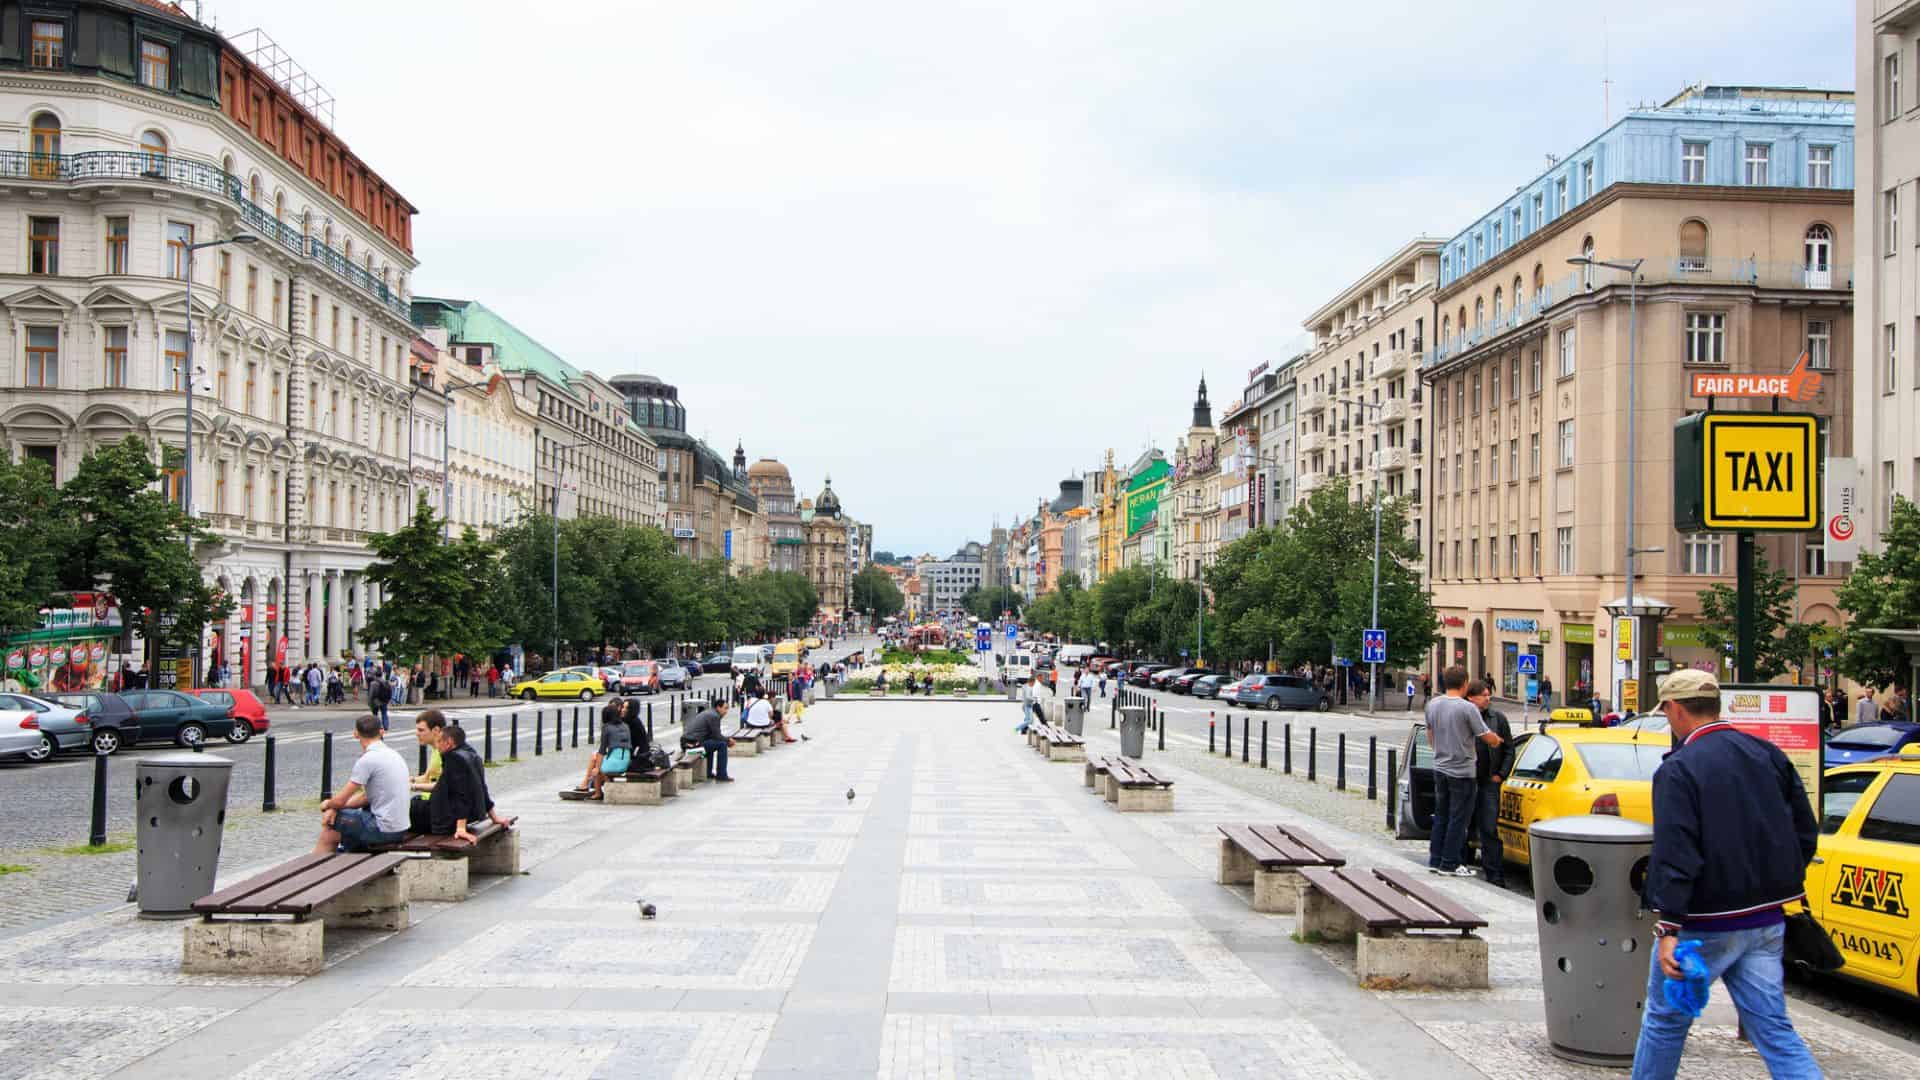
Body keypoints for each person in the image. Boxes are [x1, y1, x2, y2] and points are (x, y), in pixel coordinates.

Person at [1631, 669, 1821, 1079]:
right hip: (1767, 919)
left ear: (1676, 709)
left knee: (1665, 1023)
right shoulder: (1766, 753)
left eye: (1667, 712)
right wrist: (1778, 884)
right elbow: (1805, 832)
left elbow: (1676, 854)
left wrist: (1668, 928)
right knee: (1774, 1029)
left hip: (1705, 921)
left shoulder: (1678, 769)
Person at [1426, 665, 1503, 877]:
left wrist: (1440, 750)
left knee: (1441, 815)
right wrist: (1497, 741)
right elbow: (1485, 734)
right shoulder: (1467, 708)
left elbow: (1430, 736)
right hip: (1462, 771)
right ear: (1465, 684)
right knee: (1458, 819)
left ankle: (1435, 859)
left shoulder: (1432, 704)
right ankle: (1450, 863)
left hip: (1440, 768)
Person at [314, 714, 411, 853]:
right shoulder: (394, 755)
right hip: (400, 828)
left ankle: (315, 871)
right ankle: (344, 861)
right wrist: (337, 807)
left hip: (382, 829)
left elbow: (341, 800)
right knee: (336, 833)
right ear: (381, 732)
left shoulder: (368, 759)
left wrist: (329, 805)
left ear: (355, 734)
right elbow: (365, 797)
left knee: (329, 824)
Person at [409, 724, 509, 839]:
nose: (437, 746)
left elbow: (462, 794)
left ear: (449, 742)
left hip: (442, 818)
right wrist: (494, 817)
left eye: (440, 741)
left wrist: (460, 828)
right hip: (456, 815)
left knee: (404, 811)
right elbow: (481, 786)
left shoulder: (454, 759)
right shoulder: (470, 753)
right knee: (415, 803)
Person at [1464, 679, 1515, 887]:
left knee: (1489, 828)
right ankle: (1459, 863)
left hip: (1489, 781)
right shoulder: (1465, 715)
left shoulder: (1497, 718)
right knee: (1463, 825)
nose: (1488, 698)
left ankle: (1494, 874)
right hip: (1466, 779)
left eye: (1488, 695)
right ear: (1471, 698)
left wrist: (1500, 775)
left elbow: (1509, 749)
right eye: (1483, 695)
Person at [574, 699, 633, 799]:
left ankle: (598, 790)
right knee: (596, 760)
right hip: (625, 759)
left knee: (596, 765)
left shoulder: (607, 727)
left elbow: (602, 750)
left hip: (615, 762)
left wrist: (597, 768)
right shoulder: (625, 725)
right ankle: (592, 788)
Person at [682, 699, 734, 782]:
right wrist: (728, 741)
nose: (726, 711)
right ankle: (721, 775)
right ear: (718, 707)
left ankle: (708, 772)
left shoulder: (710, 713)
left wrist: (725, 739)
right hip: (691, 747)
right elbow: (717, 736)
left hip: (689, 743)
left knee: (711, 743)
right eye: (725, 708)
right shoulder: (714, 716)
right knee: (722, 745)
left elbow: (714, 735)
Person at [410, 710, 446, 792]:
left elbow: (444, 785)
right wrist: (411, 780)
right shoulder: (435, 749)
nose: (417, 733)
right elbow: (427, 777)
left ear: (436, 730)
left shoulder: (444, 753)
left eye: (421, 730)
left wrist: (414, 786)